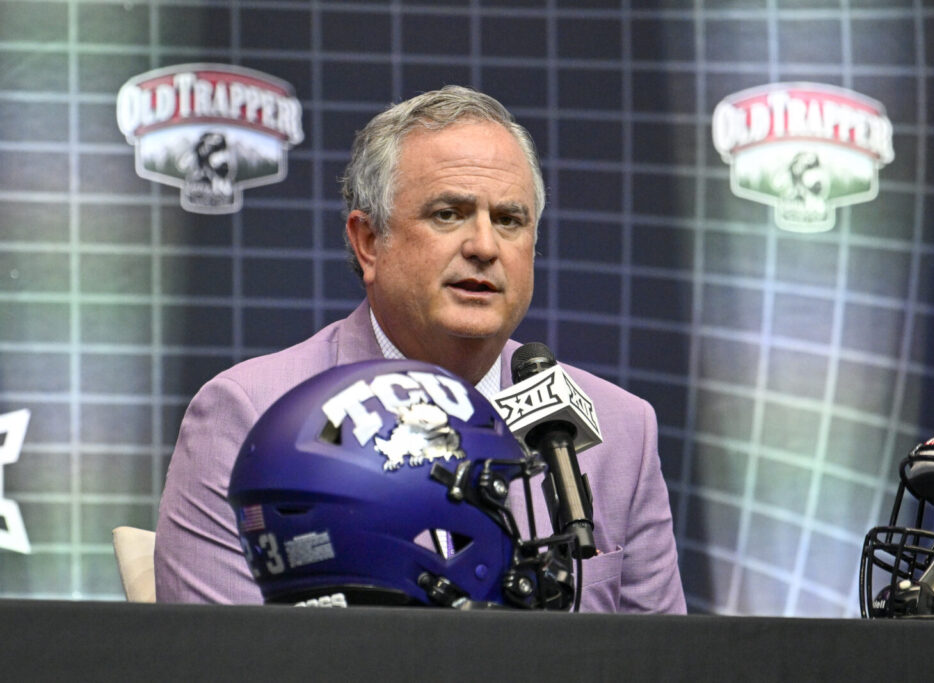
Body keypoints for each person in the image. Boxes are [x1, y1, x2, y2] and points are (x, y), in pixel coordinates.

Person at [154, 85, 686, 613]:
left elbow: (663, 665)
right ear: (369, 243)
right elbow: (227, 661)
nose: (484, 246)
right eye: (448, 214)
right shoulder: (252, 418)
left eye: (509, 220)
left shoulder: (621, 431)